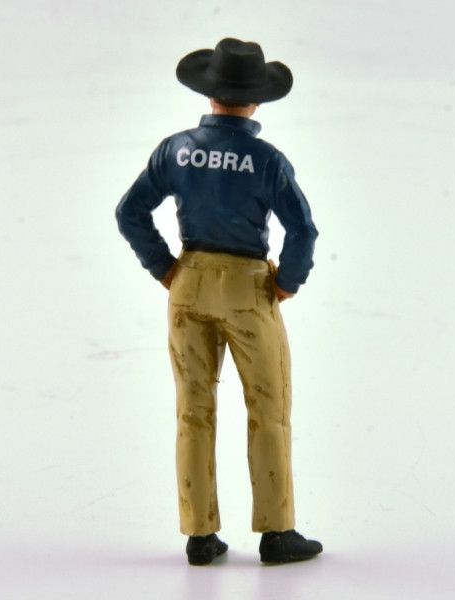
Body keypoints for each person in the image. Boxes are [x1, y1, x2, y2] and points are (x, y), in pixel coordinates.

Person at [115, 38, 321, 565]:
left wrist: (164, 266)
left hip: (188, 283)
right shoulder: (267, 160)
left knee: (193, 410)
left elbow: (129, 211)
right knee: (268, 408)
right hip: (247, 288)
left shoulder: (176, 149)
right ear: (256, 101)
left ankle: (199, 534)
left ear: (209, 95)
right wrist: (288, 282)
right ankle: (276, 532)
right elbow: (302, 230)